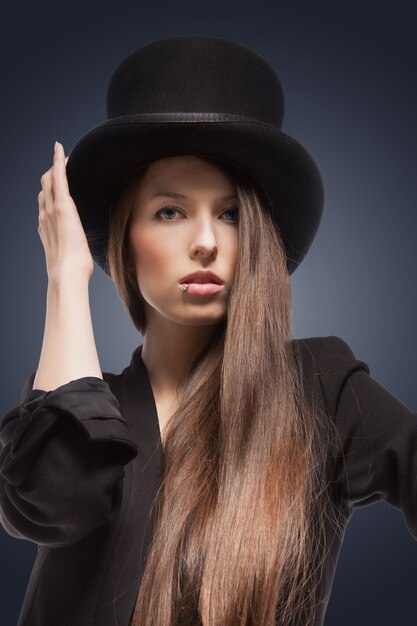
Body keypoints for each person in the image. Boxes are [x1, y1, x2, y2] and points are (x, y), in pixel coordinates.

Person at [1, 35, 416, 626]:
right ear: (124, 239)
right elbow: (52, 505)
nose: (206, 241)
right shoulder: (87, 409)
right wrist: (66, 278)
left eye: (231, 213)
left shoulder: (322, 390)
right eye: (169, 211)